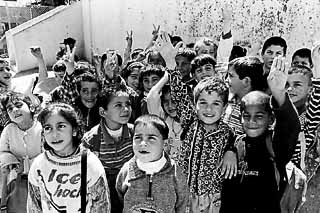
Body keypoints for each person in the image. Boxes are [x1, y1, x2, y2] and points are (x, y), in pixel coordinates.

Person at [220, 56, 300, 213]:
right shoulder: (236, 143)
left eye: (259, 116)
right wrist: (230, 149)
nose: (252, 121)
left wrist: (278, 93)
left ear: (270, 118)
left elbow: (291, 126)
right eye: (246, 116)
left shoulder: (275, 145)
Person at [27, 103, 110, 212]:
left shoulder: (90, 163)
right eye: (48, 128)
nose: (54, 134)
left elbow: (101, 205)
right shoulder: (39, 164)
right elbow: (34, 205)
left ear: (74, 130)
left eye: (61, 126)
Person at [116, 114, 189, 213]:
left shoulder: (175, 174)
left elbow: (182, 204)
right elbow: (120, 198)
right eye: (138, 138)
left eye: (151, 138)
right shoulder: (127, 170)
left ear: (165, 144)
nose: (143, 143)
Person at [82, 86, 134, 213]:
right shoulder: (91, 139)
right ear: (103, 112)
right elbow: (84, 172)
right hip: (103, 191)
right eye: (118, 105)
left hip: (128, 187)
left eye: (128, 104)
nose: (126, 109)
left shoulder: (135, 133)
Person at [0, 91, 42, 174]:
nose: (14, 110)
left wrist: (26, 166)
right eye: (10, 109)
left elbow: (47, 154)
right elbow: (2, 151)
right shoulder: (9, 130)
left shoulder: (41, 128)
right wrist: (11, 162)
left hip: (40, 171)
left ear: (31, 107)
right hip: (16, 173)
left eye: (19, 105)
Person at [223, 56, 267, 136]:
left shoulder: (254, 107)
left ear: (246, 81)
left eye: (231, 76)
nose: (226, 80)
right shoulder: (230, 101)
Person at [147, 72, 182, 161]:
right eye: (166, 102)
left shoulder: (191, 121)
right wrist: (167, 76)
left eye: (174, 100)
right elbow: (151, 96)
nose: (170, 106)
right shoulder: (163, 119)